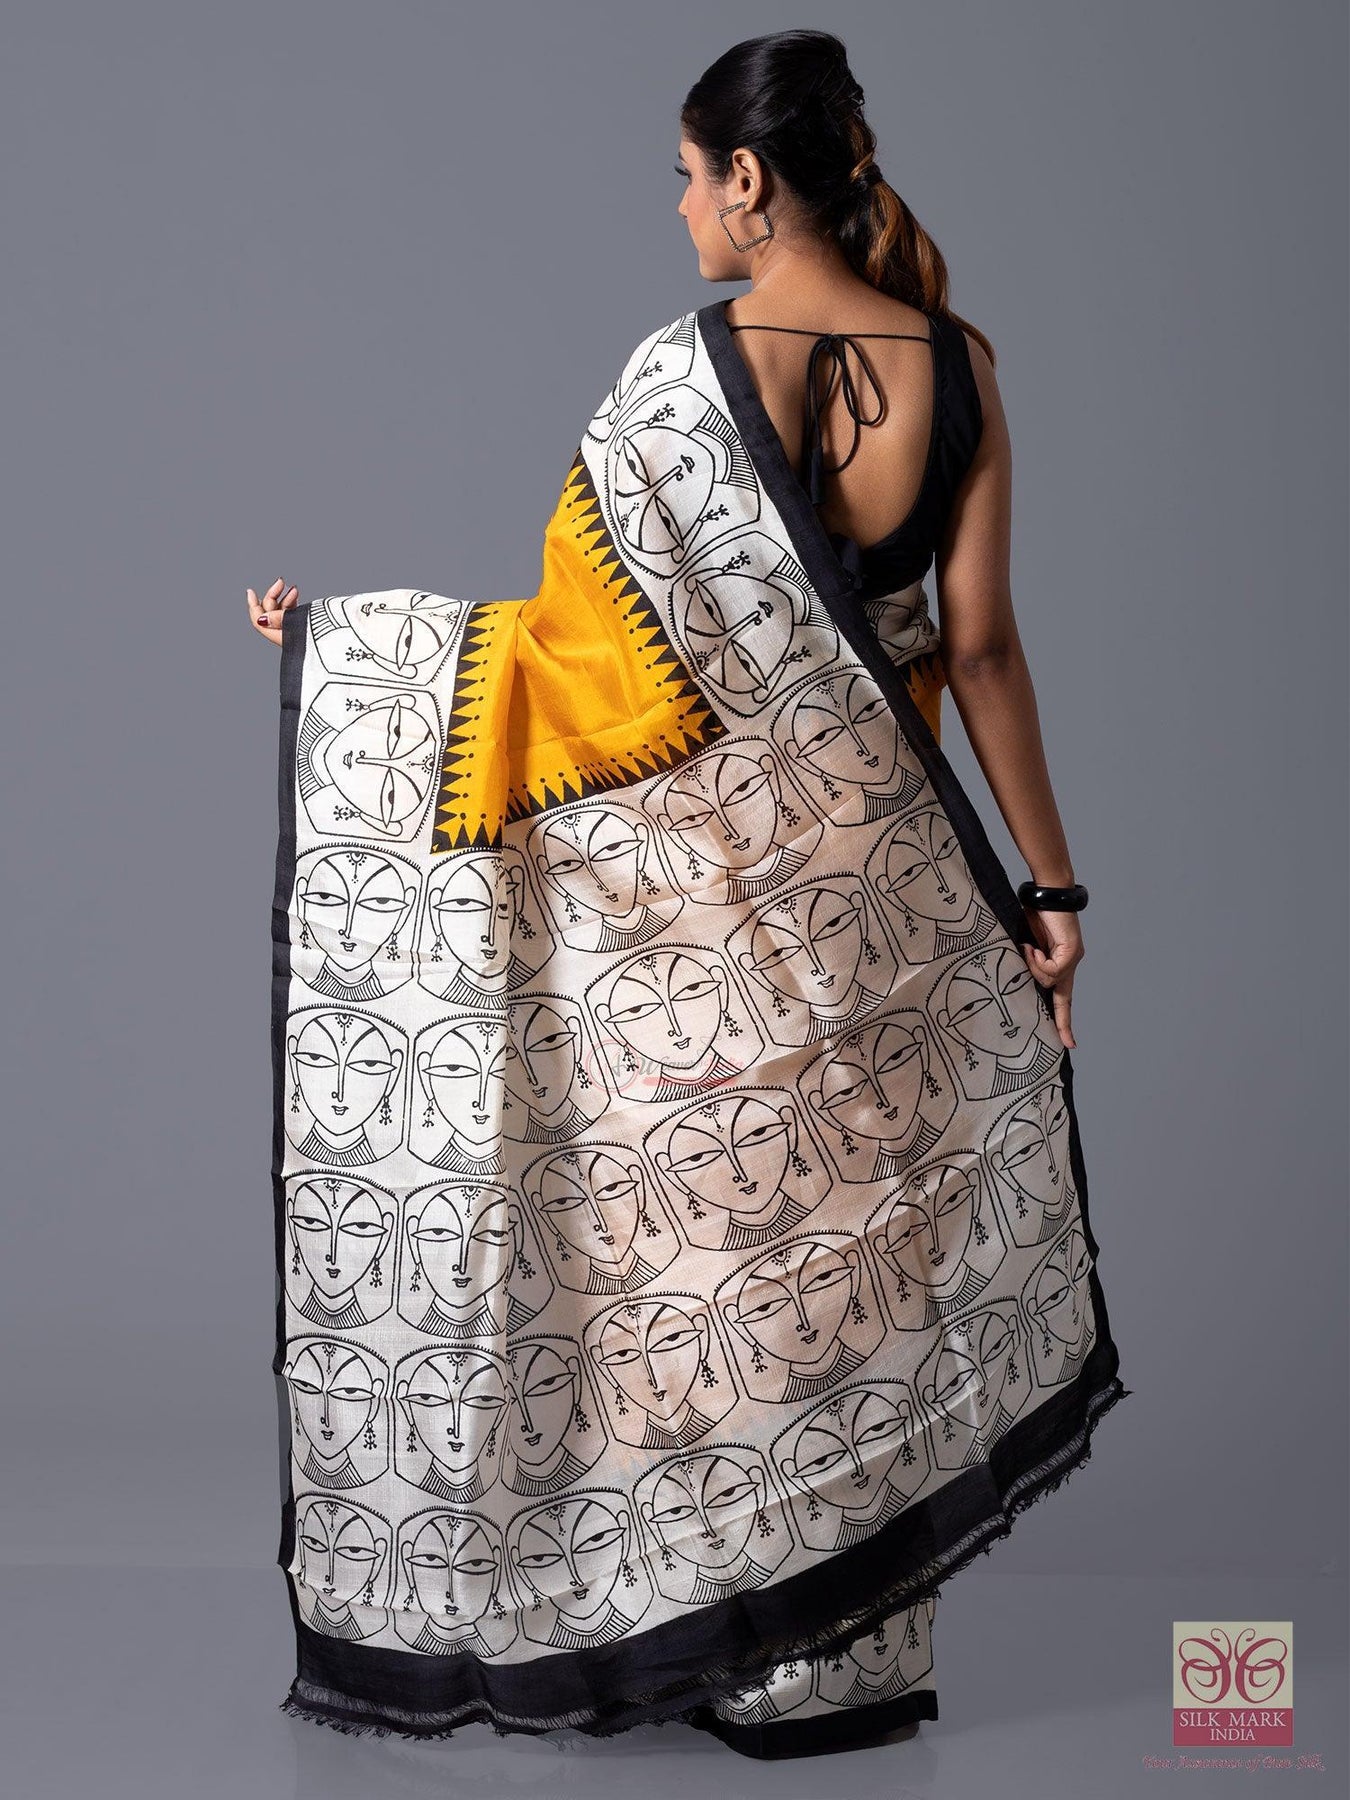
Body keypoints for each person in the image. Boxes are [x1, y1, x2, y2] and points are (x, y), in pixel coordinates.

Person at [246, 27, 1129, 1760]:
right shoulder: (957, 364)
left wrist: (345, 651)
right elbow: (980, 650)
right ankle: (850, 1661)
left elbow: (587, 671)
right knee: (862, 1249)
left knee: (724, 1255)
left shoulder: (681, 374)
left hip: (709, 908)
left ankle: (749, 1635)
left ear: (747, 177)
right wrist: (1047, 883)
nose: (676, 210)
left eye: (682, 176)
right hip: (884, 887)